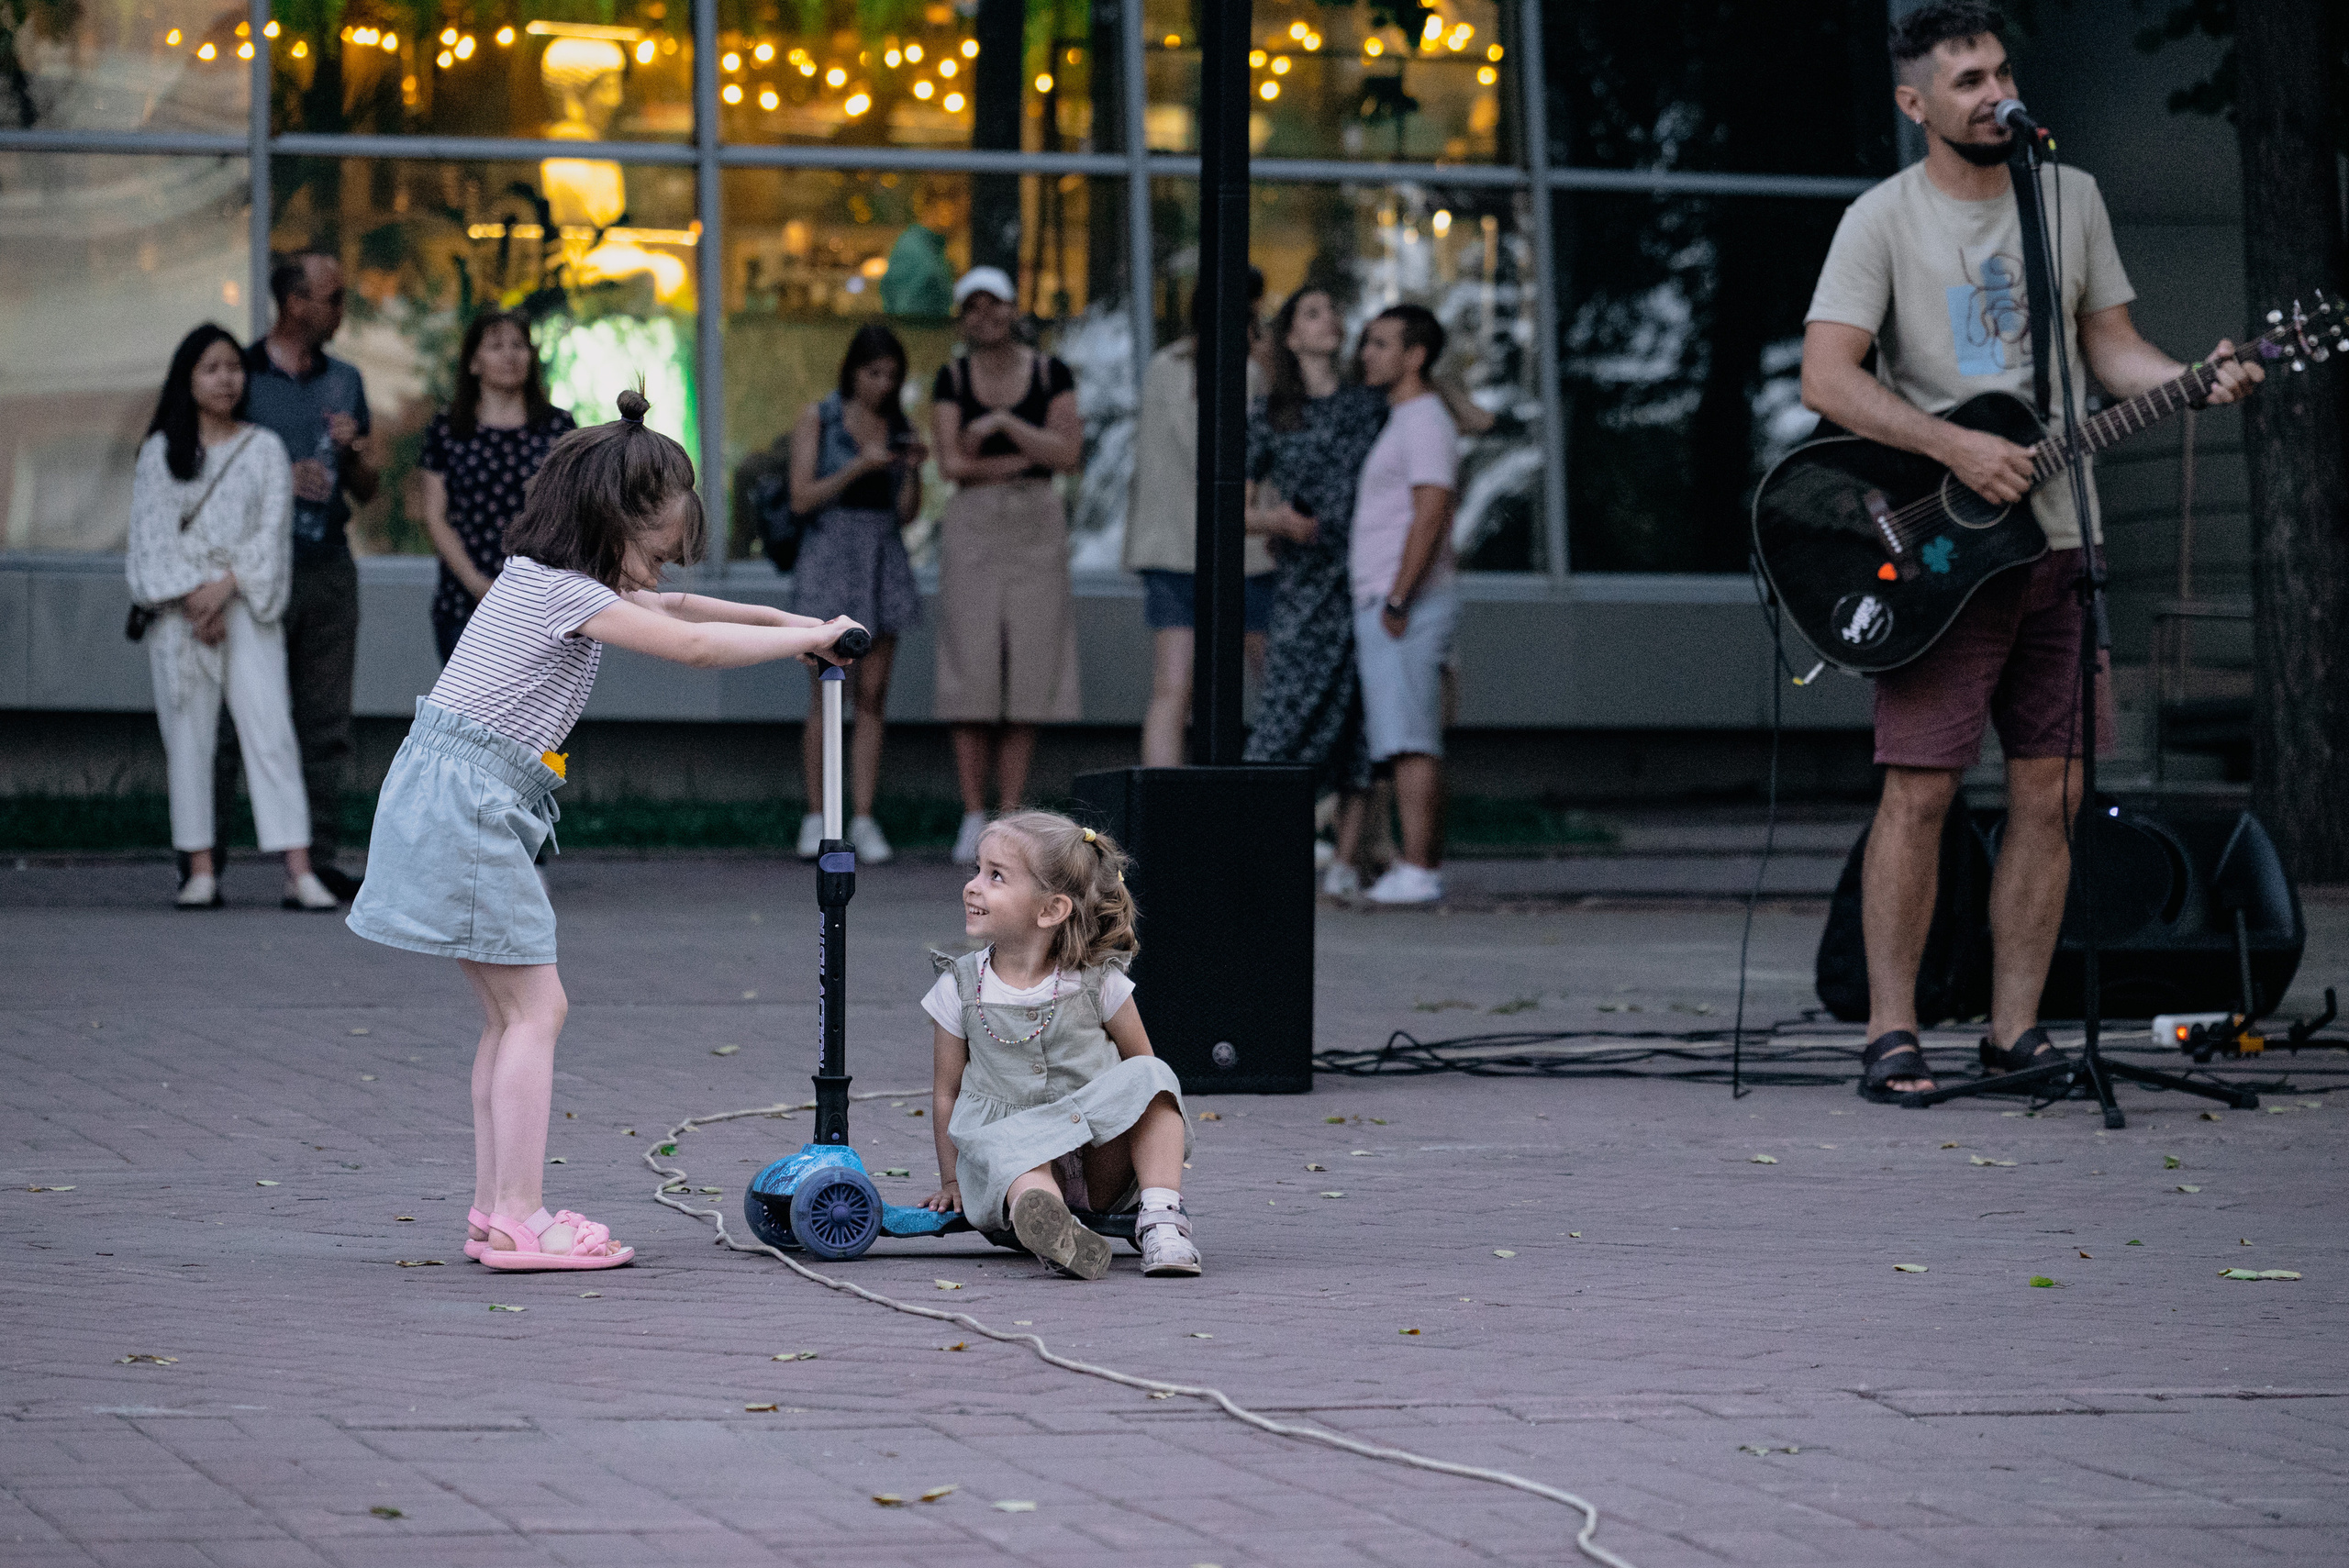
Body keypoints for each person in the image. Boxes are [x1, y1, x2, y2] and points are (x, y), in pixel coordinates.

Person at [1800, 2, 2262, 1100]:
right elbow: (1828, 379)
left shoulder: (2071, 197)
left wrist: (2196, 380)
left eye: (1999, 71)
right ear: (1917, 104)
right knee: (1918, 790)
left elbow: (2111, 352)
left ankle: (2015, 1031)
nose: (1992, 92)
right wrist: (1951, 442)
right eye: (1966, 80)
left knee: (2052, 794)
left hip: (2062, 544)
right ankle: (1891, 1029)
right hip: (1945, 559)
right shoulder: (1881, 220)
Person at [345, 389, 866, 1271]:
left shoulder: (546, 581)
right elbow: (692, 646)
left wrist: (801, 627)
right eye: (656, 552)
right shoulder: (560, 594)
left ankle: (495, 1210)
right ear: (610, 520)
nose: (662, 574)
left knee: (512, 1014)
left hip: (458, 796)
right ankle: (517, 1214)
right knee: (536, 1009)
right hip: (468, 802)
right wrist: (796, 643)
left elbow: (687, 611)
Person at [918, 811, 1197, 1278]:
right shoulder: (960, 987)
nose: (973, 885)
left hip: (1096, 1161)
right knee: (1013, 1158)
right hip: (1014, 1163)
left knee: (1154, 1076)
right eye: (977, 870)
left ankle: (1162, 1220)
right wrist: (951, 1180)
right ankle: (1056, 1235)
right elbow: (947, 1092)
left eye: (996, 876)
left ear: (1050, 910)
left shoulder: (1097, 983)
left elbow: (1143, 1076)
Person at [127, 324, 338, 913]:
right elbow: (150, 538)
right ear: (187, 378)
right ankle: (198, 869)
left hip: (245, 604)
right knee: (188, 738)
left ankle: (299, 871)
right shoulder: (160, 453)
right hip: (180, 615)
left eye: (232, 367)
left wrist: (223, 589)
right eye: (210, 368)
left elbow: (271, 534)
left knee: (270, 730)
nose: (226, 379)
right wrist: (194, 597)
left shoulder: (263, 448)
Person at [226, 250, 378, 903]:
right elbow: (202, 466)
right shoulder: (241, 375)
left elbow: (367, 490)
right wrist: (279, 478)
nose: (341, 310)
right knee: (238, 719)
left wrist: (358, 454)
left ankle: (314, 862)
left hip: (326, 566)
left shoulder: (345, 380)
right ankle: (207, 861)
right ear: (295, 302)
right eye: (332, 297)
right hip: (252, 570)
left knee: (325, 719)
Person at [930, 266, 1085, 864]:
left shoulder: (1050, 373)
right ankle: (974, 811)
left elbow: (1068, 453)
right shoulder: (953, 376)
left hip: (1036, 526)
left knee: (1030, 666)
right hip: (974, 525)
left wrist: (1001, 425)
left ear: (1014, 308)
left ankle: (1011, 810)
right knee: (971, 665)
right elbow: (952, 464)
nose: (984, 316)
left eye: (994, 305)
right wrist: (1023, 457)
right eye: (972, 307)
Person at [1243, 285, 1388, 894]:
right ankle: (1255, 845)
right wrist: (1277, 522)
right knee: (1283, 718)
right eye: (1313, 312)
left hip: (1367, 578)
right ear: (1292, 336)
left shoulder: (1368, 405)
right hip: (1306, 583)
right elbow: (1231, 506)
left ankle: (1348, 862)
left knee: (1361, 724)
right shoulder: (1273, 412)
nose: (1329, 319)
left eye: (1333, 309)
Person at [1124, 272, 1276, 767]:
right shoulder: (1245, 371)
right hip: (1244, 549)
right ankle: (1299, 814)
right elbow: (1220, 456)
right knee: (1276, 686)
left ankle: (1159, 818)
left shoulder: (1161, 366)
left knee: (1172, 690)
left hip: (1172, 548)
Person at [787, 324, 928, 865]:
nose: (882, 384)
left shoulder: (899, 425)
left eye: (891, 375)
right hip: (830, 555)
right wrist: (857, 467)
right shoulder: (818, 417)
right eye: (873, 372)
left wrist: (911, 472)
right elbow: (802, 497)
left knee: (873, 696)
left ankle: (863, 817)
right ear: (853, 370)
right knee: (826, 691)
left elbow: (908, 513)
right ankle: (818, 817)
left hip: (881, 556)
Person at [1349, 304, 1461, 906]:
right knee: (1403, 737)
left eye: (1382, 343)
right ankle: (1418, 864)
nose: (1368, 353)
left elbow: (1431, 508)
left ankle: (1418, 867)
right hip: (1392, 601)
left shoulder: (1421, 420)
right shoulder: (1406, 418)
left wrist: (1398, 595)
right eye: (1368, 342)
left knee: (1412, 738)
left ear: (1415, 356)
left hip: (1404, 604)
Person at [418, 311, 577, 662]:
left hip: (542, 598)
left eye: (519, 345)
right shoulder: (448, 428)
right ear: (474, 363)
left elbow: (574, 511)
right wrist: (477, 584)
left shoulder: (558, 427)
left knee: (537, 715)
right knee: (467, 713)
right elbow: (434, 514)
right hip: (465, 598)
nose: (510, 355)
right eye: (496, 346)